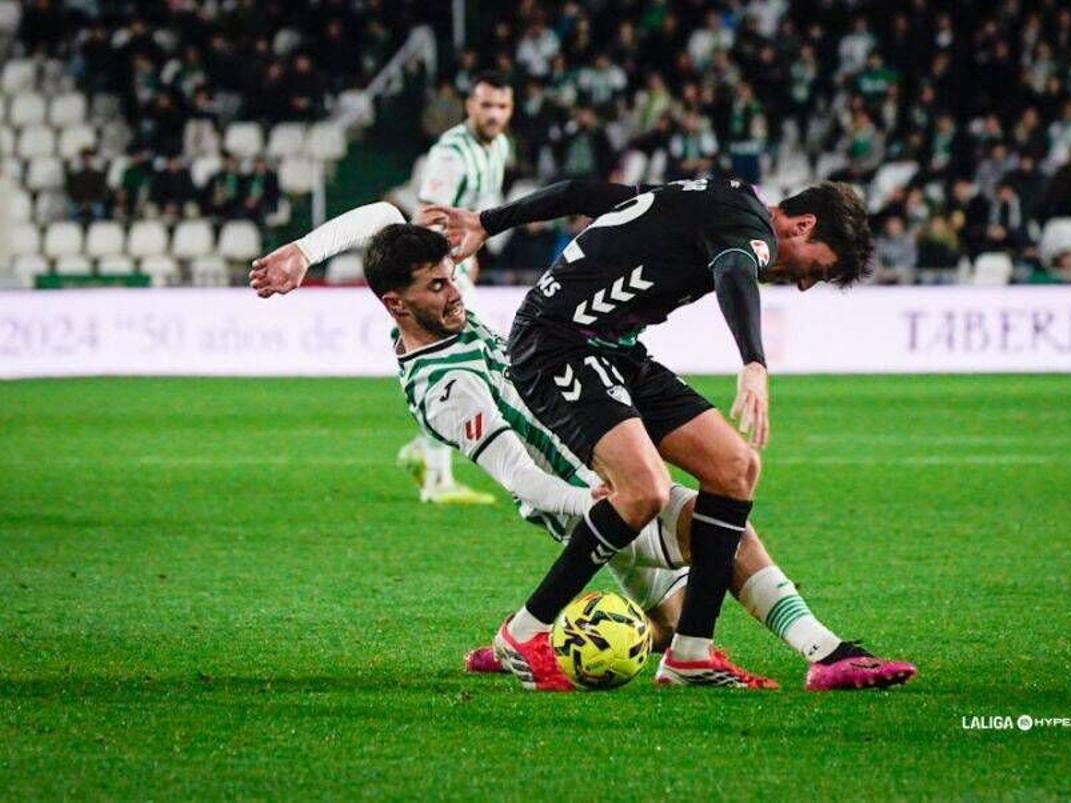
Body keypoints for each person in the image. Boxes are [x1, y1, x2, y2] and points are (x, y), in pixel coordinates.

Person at [249, 215, 916, 693]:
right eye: (435, 288)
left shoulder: (446, 311)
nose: (453, 293)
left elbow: (388, 215)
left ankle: (642, 647)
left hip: (594, 455)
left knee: (668, 616)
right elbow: (521, 479)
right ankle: (821, 648)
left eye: (450, 279)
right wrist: (598, 497)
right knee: (722, 525)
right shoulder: (445, 387)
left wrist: (305, 251)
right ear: (395, 304)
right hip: (579, 494)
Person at [434, 177, 909, 690]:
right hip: (556, 343)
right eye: (815, 268)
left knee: (736, 466)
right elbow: (734, 270)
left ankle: (691, 655)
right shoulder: (747, 227)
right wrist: (753, 361)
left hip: (614, 348)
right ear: (803, 224)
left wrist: (488, 221)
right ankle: (524, 632)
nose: (801, 283)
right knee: (644, 490)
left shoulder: (711, 198)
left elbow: (586, 194)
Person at [397, 70, 516, 506]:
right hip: (440, 269)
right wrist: (438, 275)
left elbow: (476, 211)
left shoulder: (500, 146)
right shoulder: (450, 153)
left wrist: (473, 256)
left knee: (464, 364)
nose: (493, 114)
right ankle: (436, 477)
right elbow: (429, 214)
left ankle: (425, 456)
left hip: (459, 266)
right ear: (470, 107)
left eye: (501, 106)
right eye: (486, 105)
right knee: (461, 364)